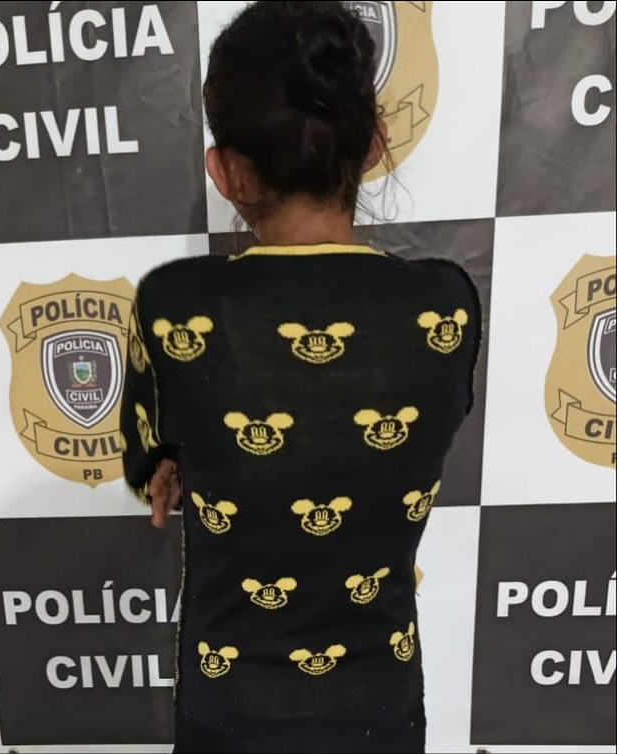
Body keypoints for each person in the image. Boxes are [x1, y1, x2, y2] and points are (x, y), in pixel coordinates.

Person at [120, 2, 481, 752]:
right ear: (375, 143)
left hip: (231, 708)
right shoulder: (445, 304)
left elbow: (145, 462)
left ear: (226, 173)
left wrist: (172, 462)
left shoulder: (173, 305)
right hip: (380, 703)